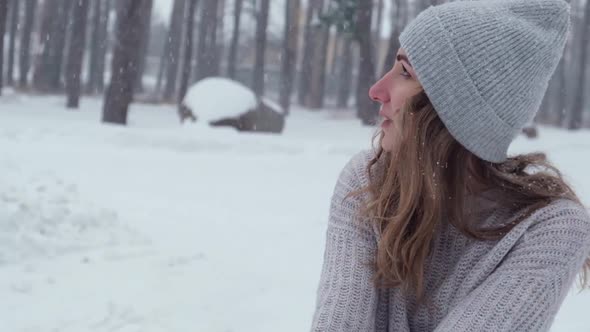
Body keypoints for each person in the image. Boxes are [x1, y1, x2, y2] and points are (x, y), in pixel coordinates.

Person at [310, 0, 590, 331]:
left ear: (454, 106)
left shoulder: (549, 229)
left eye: (404, 72)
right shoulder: (371, 181)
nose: (376, 91)